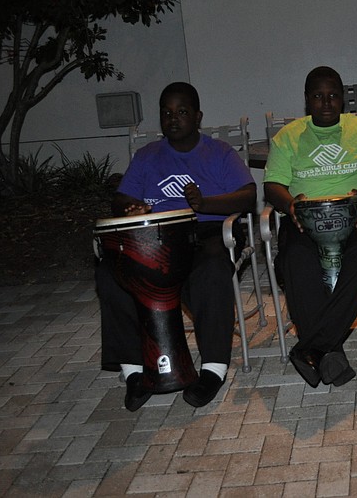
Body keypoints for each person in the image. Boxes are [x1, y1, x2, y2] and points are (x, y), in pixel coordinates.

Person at [97, 82, 257, 411]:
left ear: (197, 116)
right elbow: (122, 198)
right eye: (166, 113)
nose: (173, 118)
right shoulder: (147, 157)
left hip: (207, 230)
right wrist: (131, 207)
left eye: (182, 112)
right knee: (109, 272)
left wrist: (205, 202)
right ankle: (135, 373)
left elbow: (248, 196)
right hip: (155, 238)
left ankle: (213, 369)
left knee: (213, 267)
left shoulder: (220, 153)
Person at [264, 66, 357, 388]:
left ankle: (311, 346)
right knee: (296, 261)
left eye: (333, 95)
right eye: (318, 96)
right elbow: (272, 186)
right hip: (304, 217)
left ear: (343, 98)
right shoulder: (288, 137)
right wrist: (289, 205)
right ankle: (330, 351)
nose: (326, 102)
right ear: (307, 100)